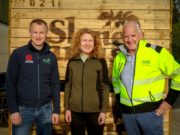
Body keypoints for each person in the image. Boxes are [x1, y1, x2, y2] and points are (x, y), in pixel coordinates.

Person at [112, 20, 180, 135]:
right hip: (128, 115)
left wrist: (169, 101)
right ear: (123, 38)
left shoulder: (156, 53)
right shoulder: (119, 58)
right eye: (126, 36)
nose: (130, 39)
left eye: (133, 35)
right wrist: (121, 105)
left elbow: (178, 73)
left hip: (151, 114)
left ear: (141, 35)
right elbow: (116, 82)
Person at [6, 19, 60, 135]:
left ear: (46, 34)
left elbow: (55, 84)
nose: (38, 36)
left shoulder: (51, 57)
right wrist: (14, 110)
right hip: (23, 110)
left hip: (46, 109)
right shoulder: (18, 54)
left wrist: (56, 110)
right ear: (30, 32)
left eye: (41, 32)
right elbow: (10, 83)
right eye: (35, 32)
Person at [64, 28, 110, 135]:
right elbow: (68, 85)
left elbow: (105, 86)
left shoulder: (100, 61)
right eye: (84, 40)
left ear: (95, 44)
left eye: (90, 41)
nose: (87, 43)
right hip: (75, 113)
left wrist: (103, 111)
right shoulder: (72, 61)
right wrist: (67, 109)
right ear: (79, 43)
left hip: (95, 112)